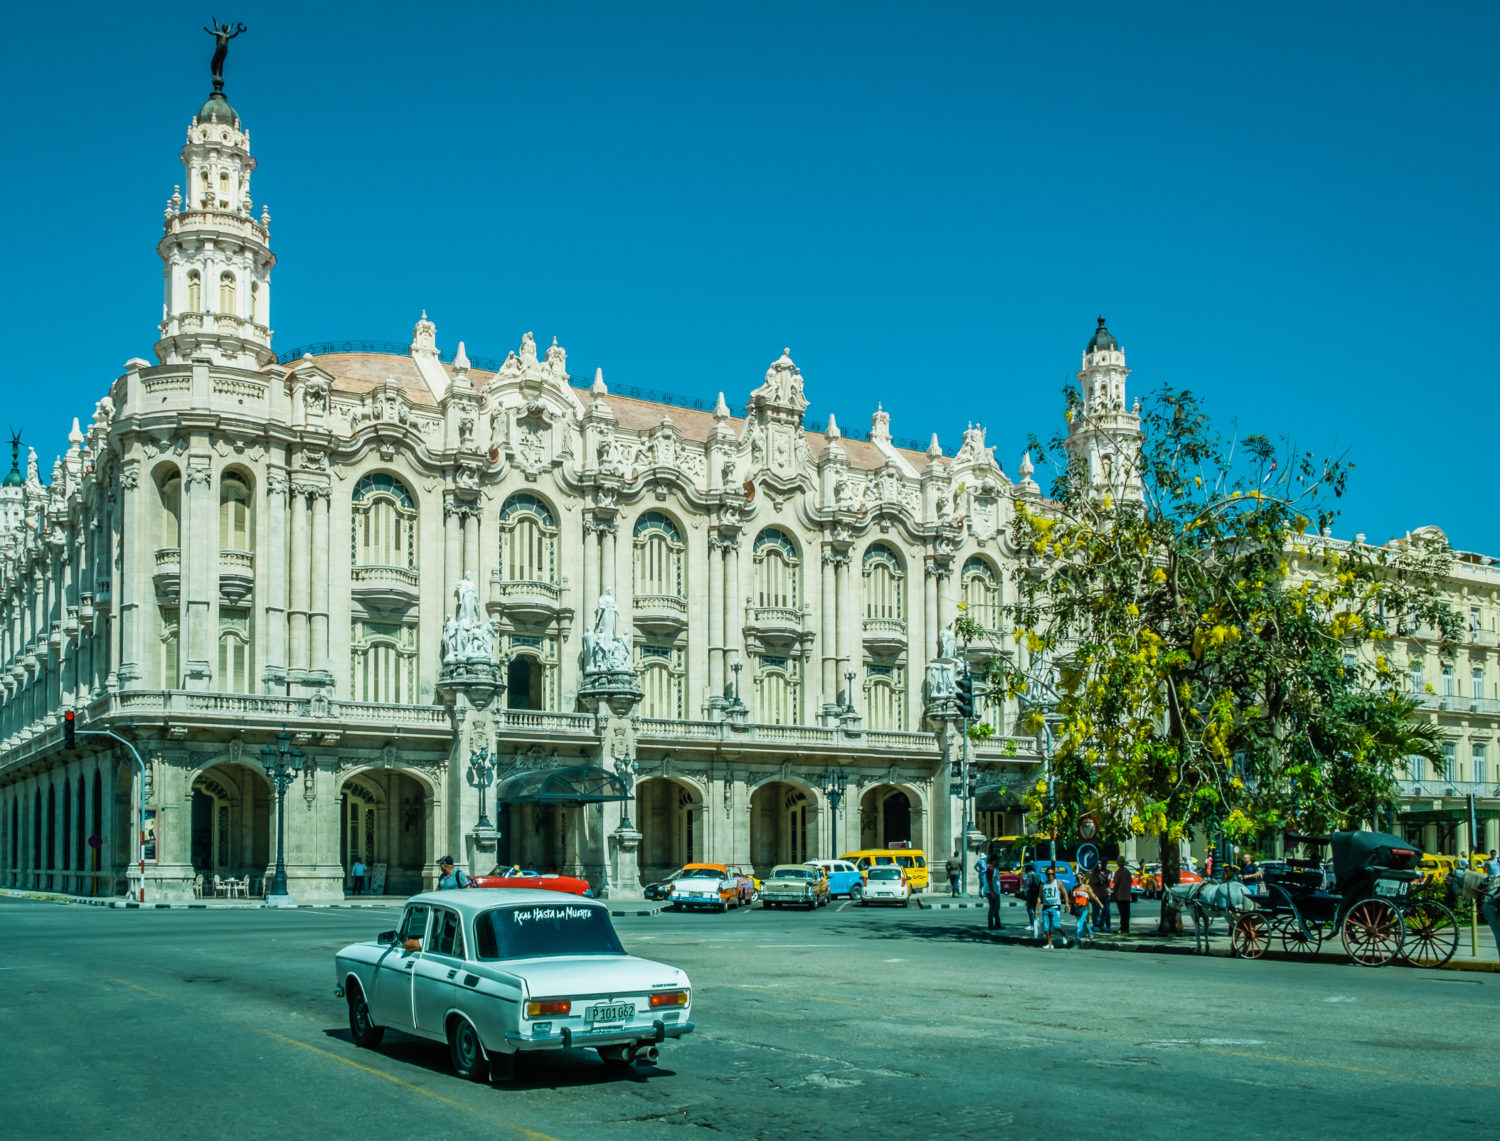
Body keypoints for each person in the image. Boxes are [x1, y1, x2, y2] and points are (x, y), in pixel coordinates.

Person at [1037, 865, 1068, 949]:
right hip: (1046, 907)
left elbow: (1065, 893)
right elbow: (1040, 897)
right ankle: (1050, 944)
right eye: (1048, 874)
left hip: (1055, 907)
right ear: (1046, 875)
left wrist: (1067, 904)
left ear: (1054, 875)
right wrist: (1036, 909)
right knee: (1046, 927)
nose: (1050, 875)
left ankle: (1064, 935)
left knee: (1056, 925)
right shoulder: (1043, 885)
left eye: (1051, 874)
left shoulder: (1057, 883)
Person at [1073, 875, 1100, 946]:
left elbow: (1093, 896)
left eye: (1081, 878)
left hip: (1084, 909)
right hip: (1076, 909)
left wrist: (1100, 904)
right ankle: (1091, 933)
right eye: (1078, 878)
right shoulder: (1074, 888)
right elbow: (1072, 899)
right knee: (1083, 922)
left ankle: (1077, 940)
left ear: (1084, 878)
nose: (1079, 880)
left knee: (1079, 925)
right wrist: (1068, 905)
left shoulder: (1087, 887)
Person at [1112, 860, 1134, 934]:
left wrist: (1114, 893)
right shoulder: (1128, 872)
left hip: (1120, 896)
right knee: (1126, 913)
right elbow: (1131, 881)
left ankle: (1123, 927)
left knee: (1122, 913)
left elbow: (1116, 884)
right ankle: (1126, 927)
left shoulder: (1118, 873)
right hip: (1127, 895)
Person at [1089, 863, 1112, 931]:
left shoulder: (1100, 873)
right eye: (1096, 866)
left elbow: (1106, 880)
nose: (1097, 867)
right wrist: (1102, 879)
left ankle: (1101, 924)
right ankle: (1095, 925)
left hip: (1103, 894)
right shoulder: (1092, 873)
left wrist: (1102, 879)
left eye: (1097, 866)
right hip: (1095, 895)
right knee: (1095, 911)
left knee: (1105, 910)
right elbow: (1097, 882)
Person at [983, 859, 1005, 931]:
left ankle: (998, 925)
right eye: (997, 860)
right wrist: (992, 892)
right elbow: (989, 881)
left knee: (997, 908)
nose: (999, 861)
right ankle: (991, 925)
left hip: (996, 892)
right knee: (992, 908)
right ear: (993, 861)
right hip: (992, 892)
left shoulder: (995, 869)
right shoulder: (990, 869)